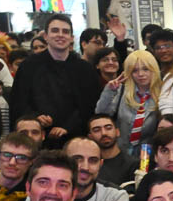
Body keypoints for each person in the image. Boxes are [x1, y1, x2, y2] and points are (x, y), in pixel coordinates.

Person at [8, 13, 102, 146]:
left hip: (76, 138)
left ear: (71, 38)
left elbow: (90, 105)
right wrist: (35, 117)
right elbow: (19, 102)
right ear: (45, 36)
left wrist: (68, 127)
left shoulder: (85, 69)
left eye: (65, 32)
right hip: (37, 139)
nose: (60, 35)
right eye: (55, 30)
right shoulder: (28, 66)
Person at [29, 136, 129, 201]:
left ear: (100, 164)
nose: (85, 167)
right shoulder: (40, 194)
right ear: (63, 162)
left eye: (93, 161)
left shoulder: (115, 197)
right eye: (77, 159)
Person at [95, 50, 161, 158]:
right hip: (119, 150)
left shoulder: (163, 93)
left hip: (147, 153)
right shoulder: (121, 90)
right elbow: (100, 114)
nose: (141, 74)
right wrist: (109, 91)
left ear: (153, 69)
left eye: (145, 69)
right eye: (135, 70)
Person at [85, 114, 137, 188]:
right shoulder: (86, 165)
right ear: (90, 137)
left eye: (108, 128)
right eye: (97, 130)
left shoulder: (133, 164)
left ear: (117, 132)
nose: (104, 133)